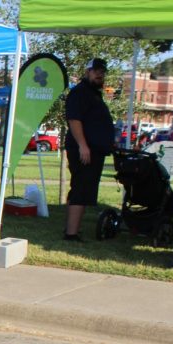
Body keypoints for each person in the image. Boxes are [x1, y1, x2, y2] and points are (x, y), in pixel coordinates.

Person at [63, 57, 114, 242]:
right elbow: (74, 120)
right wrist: (83, 145)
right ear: (88, 72)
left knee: (80, 188)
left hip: (93, 150)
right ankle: (71, 234)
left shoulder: (93, 93)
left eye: (102, 71)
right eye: (96, 71)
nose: (100, 74)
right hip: (84, 150)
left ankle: (72, 228)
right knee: (81, 189)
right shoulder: (80, 93)